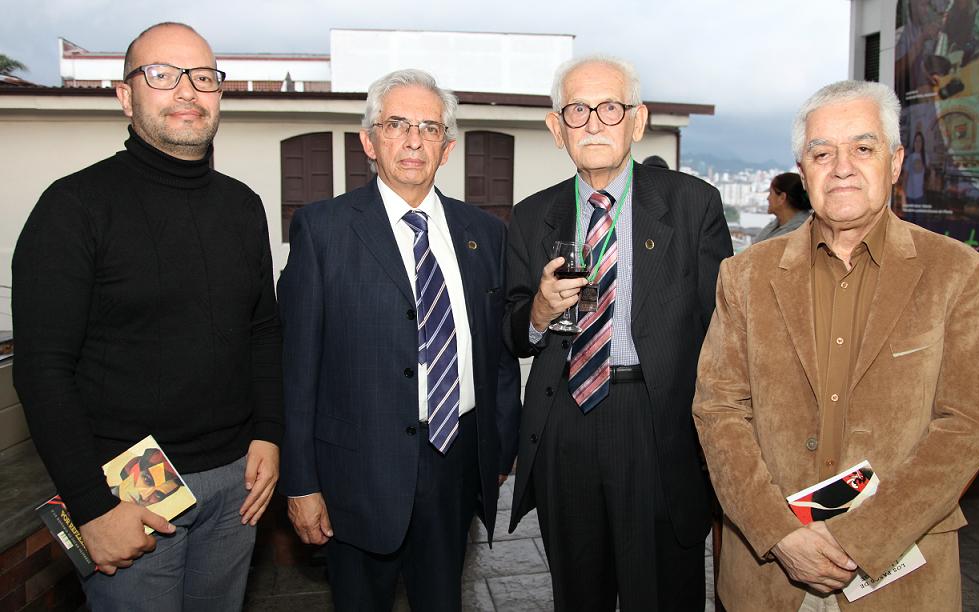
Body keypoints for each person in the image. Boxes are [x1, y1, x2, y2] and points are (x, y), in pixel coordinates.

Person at [692, 80, 979, 611]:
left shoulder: (956, 272)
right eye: (821, 152)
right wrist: (779, 533)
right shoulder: (744, 275)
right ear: (803, 169)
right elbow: (718, 410)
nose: (841, 167)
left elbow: (967, 426)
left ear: (896, 161)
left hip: (900, 577)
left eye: (862, 147)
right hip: (769, 577)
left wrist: (863, 539)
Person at [12, 22, 282, 611]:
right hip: (127, 492)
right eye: (162, 75)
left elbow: (262, 331)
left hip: (236, 484)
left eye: (204, 77)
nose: (188, 90)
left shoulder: (242, 206)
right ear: (126, 95)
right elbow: (41, 369)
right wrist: (92, 508)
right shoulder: (73, 207)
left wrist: (269, 432)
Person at [277, 68, 521, 611]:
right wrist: (300, 482)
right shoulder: (323, 230)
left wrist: (501, 445)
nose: (414, 140)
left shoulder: (484, 233)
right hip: (356, 471)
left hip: (454, 460)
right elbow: (297, 369)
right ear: (369, 140)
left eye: (430, 128)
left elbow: (497, 350)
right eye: (397, 124)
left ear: (448, 147)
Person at [504, 55, 732, 611]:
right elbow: (510, 332)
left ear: (638, 120)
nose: (595, 123)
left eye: (610, 107)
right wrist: (535, 312)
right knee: (577, 592)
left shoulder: (691, 204)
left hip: (656, 422)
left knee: (662, 592)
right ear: (557, 130)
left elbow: (724, 333)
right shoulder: (532, 216)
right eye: (577, 111)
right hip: (564, 423)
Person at [755, 172, 812, 243]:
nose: (768, 198)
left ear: (782, 198)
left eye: (770, 193)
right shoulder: (776, 224)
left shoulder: (798, 233)